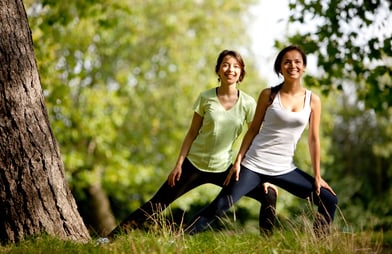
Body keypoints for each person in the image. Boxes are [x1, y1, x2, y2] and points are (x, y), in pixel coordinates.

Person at [108, 50, 278, 238]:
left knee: (269, 193)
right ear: (219, 70)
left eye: (236, 66)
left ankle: (267, 245)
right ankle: (109, 238)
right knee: (156, 205)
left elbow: (255, 136)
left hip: (225, 170)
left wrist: (261, 174)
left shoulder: (248, 103)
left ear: (241, 73)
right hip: (193, 165)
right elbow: (191, 133)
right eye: (226, 65)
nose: (231, 69)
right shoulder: (206, 98)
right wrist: (179, 164)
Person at [186, 45, 338, 237]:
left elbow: (314, 139)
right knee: (222, 204)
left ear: (304, 67)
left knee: (329, 199)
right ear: (280, 67)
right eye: (287, 62)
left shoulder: (312, 100)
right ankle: (181, 235)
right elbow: (253, 130)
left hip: (284, 168)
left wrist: (317, 176)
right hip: (254, 164)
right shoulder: (268, 95)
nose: (293, 65)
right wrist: (239, 160)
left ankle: (318, 245)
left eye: (297, 62)